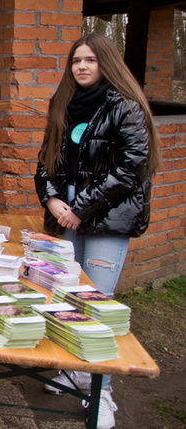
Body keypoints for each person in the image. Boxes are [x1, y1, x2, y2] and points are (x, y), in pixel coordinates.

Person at [35, 32, 160, 429]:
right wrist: (52, 199)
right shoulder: (64, 104)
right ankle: (75, 372)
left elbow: (132, 168)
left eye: (91, 60)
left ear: (107, 63)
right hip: (66, 217)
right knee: (65, 298)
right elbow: (45, 160)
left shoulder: (126, 107)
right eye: (76, 61)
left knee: (95, 306)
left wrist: (80, 210)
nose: (83, 67)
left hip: (107, 222)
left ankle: (101, 394)